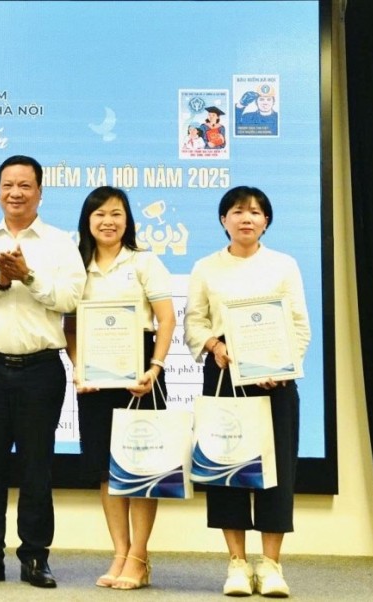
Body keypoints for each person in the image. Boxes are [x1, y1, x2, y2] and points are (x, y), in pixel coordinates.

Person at [0, 155, 85, 589]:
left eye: (25, 185)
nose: (15, 193)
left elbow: (70, 299)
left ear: (40, 192)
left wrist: (27, 276)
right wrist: (0, 282)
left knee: (36, 467)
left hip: (40, 370)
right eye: (8, 185)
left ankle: (35, 558)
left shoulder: (60, 244)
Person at [183, 186, 310, 597]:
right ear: (224, 220)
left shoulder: (284, 265)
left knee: (277, 473)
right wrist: (214, 346)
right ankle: (237, 563)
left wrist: (284, 366)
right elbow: (194, 322)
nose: (246, 218)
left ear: (266, 221)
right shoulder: (206, 267)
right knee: (227, 471)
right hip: (224, 378)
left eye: (255, 212)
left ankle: (271, 565)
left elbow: (299, 325)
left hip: (276, 381)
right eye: (237, 211)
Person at [63, 186, 176, 590]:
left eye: (116, 214)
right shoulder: (76, 266)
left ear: (128, 220)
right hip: (95, 376)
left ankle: (139, 558)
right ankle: (120, 552)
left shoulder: (144, 261)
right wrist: (79, 369)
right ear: (87, 221)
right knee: (106, 469)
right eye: (99, 214)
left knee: (140, 467)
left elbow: (166, 319)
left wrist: (155, 368)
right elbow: (70, 328)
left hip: (140, 374)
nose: (108, 221)